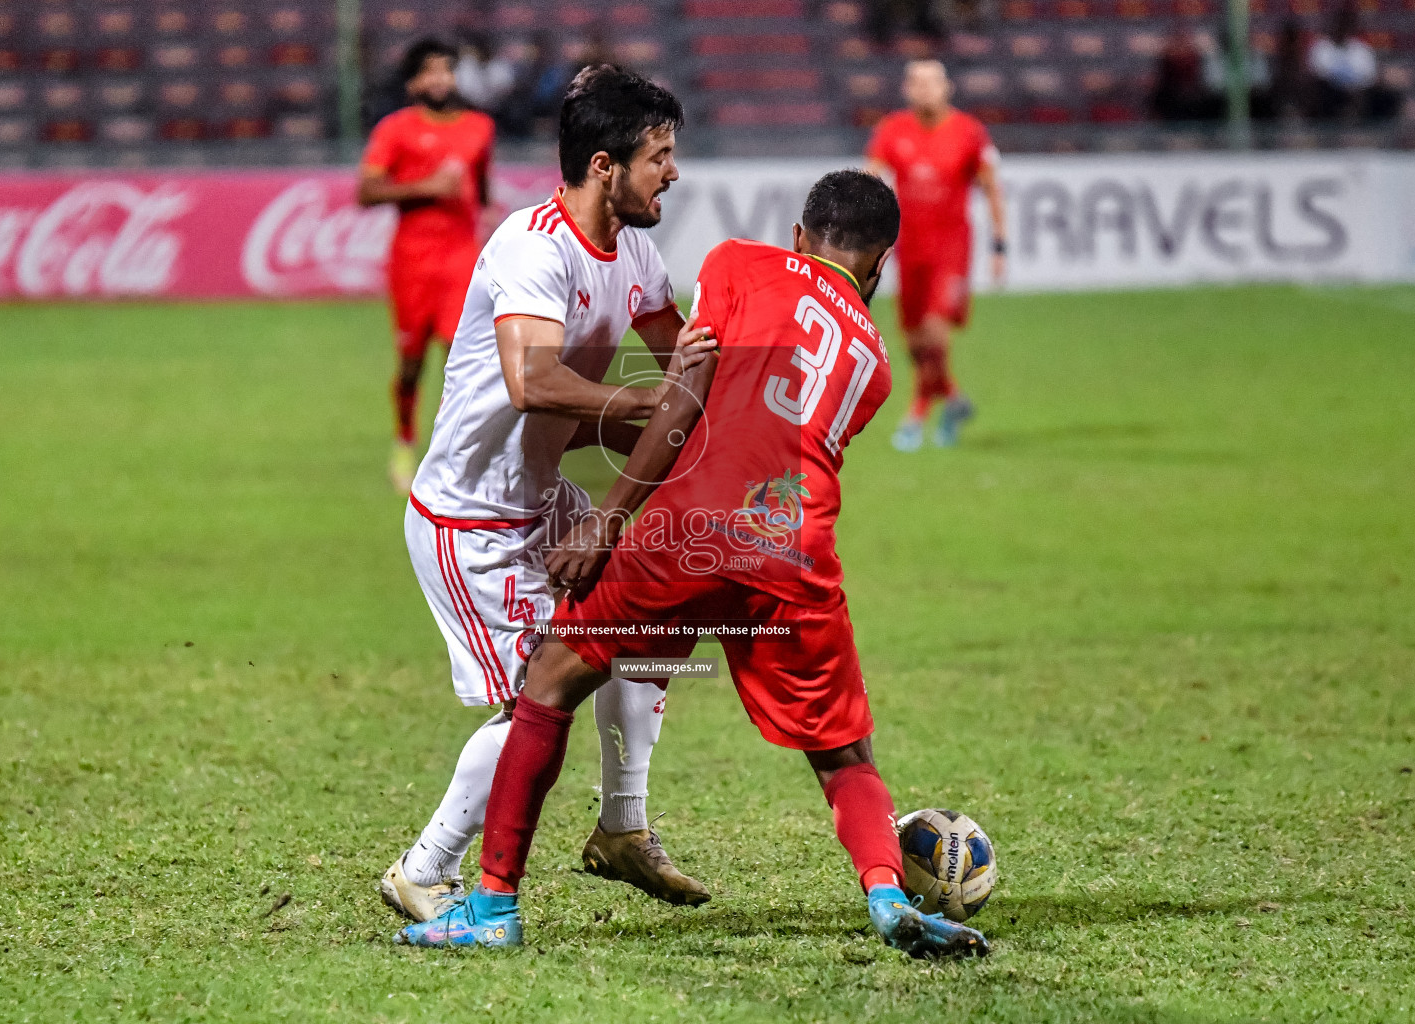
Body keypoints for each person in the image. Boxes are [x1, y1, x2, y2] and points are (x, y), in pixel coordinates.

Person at [399, 170, 990, 960]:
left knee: (549, 684)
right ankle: (886, 895)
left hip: (686, 535)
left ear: (799, 238)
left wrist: (608, 523)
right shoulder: (876, 362)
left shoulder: (741, 263)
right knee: (844, 752)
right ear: (879, 266)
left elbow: (685, 400)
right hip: (793, 553)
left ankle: (492, 906)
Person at [377, 64, 716, 924]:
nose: (672, 173)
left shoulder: (633, 247)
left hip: (543, 497)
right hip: (472, 521)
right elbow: (531, 379)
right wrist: (648, 404)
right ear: (605, 166)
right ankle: (422, 870)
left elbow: (686, 362)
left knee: (642, 621)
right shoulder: (532, 246)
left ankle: (623, 829)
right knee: (545, 690)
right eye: (659, 157)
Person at [358, 39, 496, 494]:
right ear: (414, 81)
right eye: (429, 72)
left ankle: (457, 455)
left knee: (461, 356)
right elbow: (367, 192)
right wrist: (427, 186)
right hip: (413, 262)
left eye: (446, 70)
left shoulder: (479, 128)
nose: (439, 79)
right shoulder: (395, 130)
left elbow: (482, 192)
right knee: (413, 362)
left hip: (461, 258)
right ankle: (403, 443)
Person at [866, 60, 1004, 451]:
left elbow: (992, 187)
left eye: (931, 82)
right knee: (913, 343)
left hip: (951, 250)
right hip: (909, 251)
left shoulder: (969, 132)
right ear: (907, 90)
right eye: (916, 83)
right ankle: (955, 400)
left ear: (947, 87)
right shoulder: (893, 129)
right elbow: (870, 178)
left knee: (934, 334)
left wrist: (1000, 245)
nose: (924, 90)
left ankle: (916, 415)